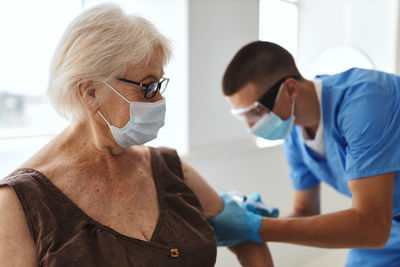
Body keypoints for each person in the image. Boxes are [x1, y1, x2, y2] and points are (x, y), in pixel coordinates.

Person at [0, 6, 273, 267]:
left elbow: (244, 235)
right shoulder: (18, 204)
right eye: (148, 86)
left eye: (160, 84)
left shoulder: (168, 168)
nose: (160, 98)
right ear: (91, 92)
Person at [216, 40, 400, 266]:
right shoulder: (294, 136)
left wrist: (256, 227)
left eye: (255, 112)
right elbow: (305, 210)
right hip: (388, 228)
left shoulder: (366, 102)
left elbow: (371, 227)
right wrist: (257, 220)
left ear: (291, 89)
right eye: (242, 116)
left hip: (378, 225)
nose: (250, 126)